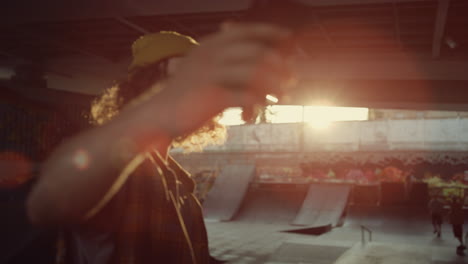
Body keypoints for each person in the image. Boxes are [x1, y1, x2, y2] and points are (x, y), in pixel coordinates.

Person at [26, 23, 292, 263]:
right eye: (178, 83)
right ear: (143, 89)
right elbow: (49, 202)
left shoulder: (181, 184)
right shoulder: (124, 171)